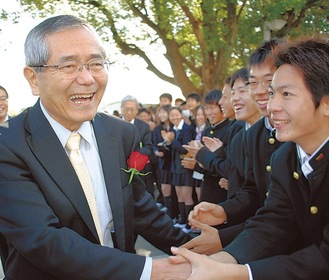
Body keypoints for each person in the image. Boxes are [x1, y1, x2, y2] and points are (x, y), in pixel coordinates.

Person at [0, 15, 192, 280]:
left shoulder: (121, 132)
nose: (88, 78)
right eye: (69, 66)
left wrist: (196, 250)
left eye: (96, 63)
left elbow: (140, 210)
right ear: (34, 78)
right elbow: (43, 241)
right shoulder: (7, 144)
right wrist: (150, 271)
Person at [171, 36, 329, 279]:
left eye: (286, 94)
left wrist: (239, 273)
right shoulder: (285, 158)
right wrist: (220, 262)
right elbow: (274, 222)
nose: (272, 105)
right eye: (271, 92)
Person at [162, 107, 194, 233]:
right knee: (179, 196)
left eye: (176, 115)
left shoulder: (187, 129)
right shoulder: (172, 129)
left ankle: (189, 224)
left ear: (181, 115)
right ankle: (182, 221)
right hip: (175, 167)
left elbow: (186, 149)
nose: (174, 118)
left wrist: (171, 141)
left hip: (185, 167)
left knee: (187, 196)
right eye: (172, 116)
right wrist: (166, 143)